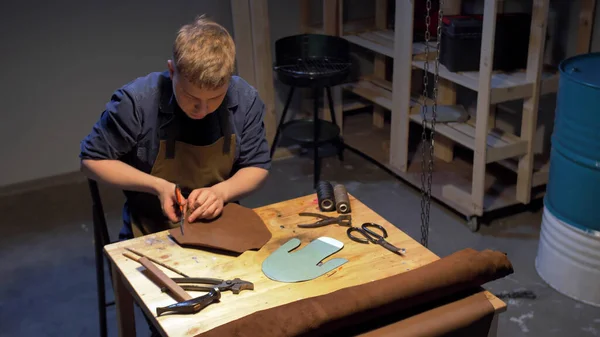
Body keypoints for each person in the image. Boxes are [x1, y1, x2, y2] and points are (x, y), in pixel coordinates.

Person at [80, 15, 271, 241]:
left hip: (220, 222)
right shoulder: (136, 102)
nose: (203, 109)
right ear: (172, 71)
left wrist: (222, 192)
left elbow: (257, 166)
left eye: (215, 98)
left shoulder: (245, 99)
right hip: (151, 226)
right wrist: (157, 186)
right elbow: (91, 160)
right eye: (191, 97)